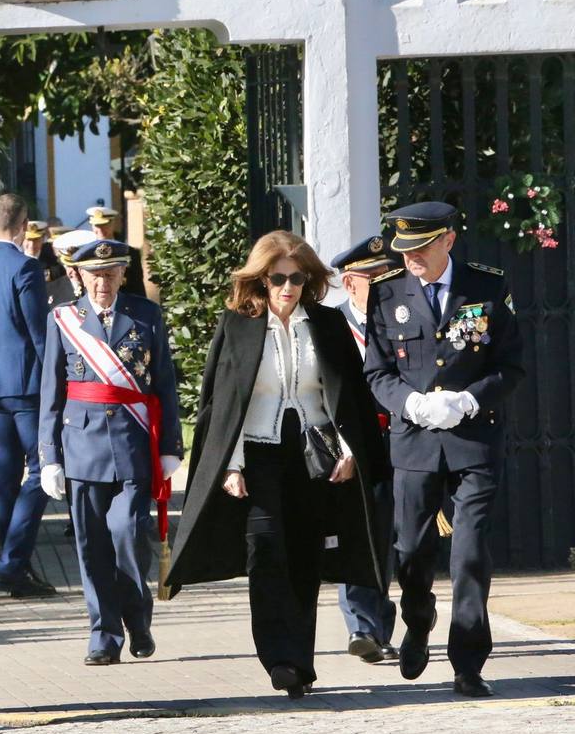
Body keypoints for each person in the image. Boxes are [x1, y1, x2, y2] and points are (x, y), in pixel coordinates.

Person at [166, 230, 387, 698]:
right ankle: (279, 659)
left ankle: (300, 663)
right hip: (258, 453)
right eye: (278, 278)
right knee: (264, 552)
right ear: (261, 280)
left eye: (297, 278)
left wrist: (349, 452)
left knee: (305, 557)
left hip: (314, 454)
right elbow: (221, 403)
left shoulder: (326, 325)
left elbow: (349, 398)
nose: (288, 287)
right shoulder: (238, 325)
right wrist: (230, 464)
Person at [364, 202, 525, 698]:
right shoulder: (386, 293)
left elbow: (511, 367)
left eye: (421, 248)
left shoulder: (487, 286)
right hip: (413, 442)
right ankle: (417, 619)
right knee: (411, 550)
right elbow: (377, 371)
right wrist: (409, 402)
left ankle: (469, 661)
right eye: (405, 249)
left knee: (471, 551)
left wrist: (469, 399)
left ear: (448, 241)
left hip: (473, 439)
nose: (411, 258)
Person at [38, 239, 183, 664]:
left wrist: (169, 446)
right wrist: (49, 457)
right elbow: (51, 390)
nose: (102, 282)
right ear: (78, 276)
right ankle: (103, 634)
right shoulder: (63, 319)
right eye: (94, 274)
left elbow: (164, 384)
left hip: (133, 444)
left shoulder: (146, 314)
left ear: (122, 274)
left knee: (126, 532)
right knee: (91, 546)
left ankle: (137, 618)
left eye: (110, 273)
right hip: (81, 446)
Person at [0, 194, 56, 598]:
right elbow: (39, 332)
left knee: (4, 478)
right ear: (23, 225)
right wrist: (58, 381)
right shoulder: (26, 267)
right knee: (41, 470)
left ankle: (10, 562)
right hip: (28, 384)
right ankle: (12, 564)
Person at [330, 236, 401, 664]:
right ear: (348, 282)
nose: (380, 285)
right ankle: (362, 626)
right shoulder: (330, 326)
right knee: (356, 537)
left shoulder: (403, 320)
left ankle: (383, 625)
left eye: (387, 276)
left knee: (390, 539)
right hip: (350, 447)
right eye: (370, 278)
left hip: (400, 443)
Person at [87, 204, 146, 297]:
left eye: (104, 225)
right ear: (92, 227)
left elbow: (137, 286)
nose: (100, 230)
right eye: (97, 226)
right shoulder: (86, 252)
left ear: (112, 224)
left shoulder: (129, 252)